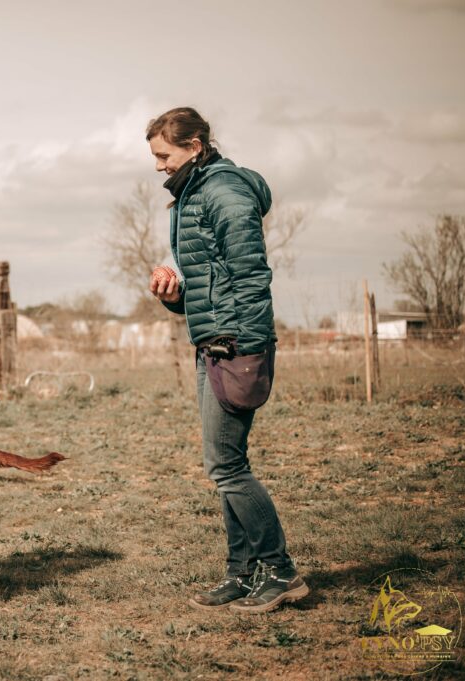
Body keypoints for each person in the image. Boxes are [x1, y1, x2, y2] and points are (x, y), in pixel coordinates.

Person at [146, 107, 308, 614]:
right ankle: (242, 573)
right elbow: (212, 283)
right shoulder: (192, 195)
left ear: (194, 146)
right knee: (224, 465)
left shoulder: (224, 193)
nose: (157, 166)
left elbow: (251, 277)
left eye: (162, 155)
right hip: (212, 341)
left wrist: (241, 343)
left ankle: (280, 571)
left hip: (232, 346)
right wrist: (175, 295)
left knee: (226, 466)